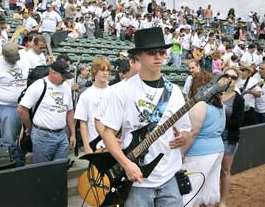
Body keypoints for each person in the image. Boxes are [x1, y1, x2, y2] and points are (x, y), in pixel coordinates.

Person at [100, 27, 191, 206]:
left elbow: (185, 129)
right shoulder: (121, 91)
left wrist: (184, 136)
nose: (158, 56)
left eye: (162, 52)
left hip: (169, 176)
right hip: (136, 180)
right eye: (151, 52)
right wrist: (126, 164)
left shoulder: (175, 92)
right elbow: (108, 134)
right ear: (139, 56)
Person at [181, 71, 226, 207]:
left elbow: (193, 132)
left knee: (190, 194)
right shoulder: (220, 104)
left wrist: (181, 152)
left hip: (199, 153)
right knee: (206, 192)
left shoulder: (199, 104)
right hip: (217, 149)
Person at [17, 60, 76, 163]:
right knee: (43, 170)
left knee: (59, 168)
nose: (65, 79)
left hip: (62, 133)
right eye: (63, 76)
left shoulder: (66, 86)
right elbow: (22, 109)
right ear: (53, 72)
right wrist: (30, 128)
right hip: (43, 134)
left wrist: (73, 134)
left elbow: (70, 111)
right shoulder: (39, 85)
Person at [0, 43, 28, 165]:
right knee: (9, 140)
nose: (13, 61)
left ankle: (20, 161)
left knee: (23, 138)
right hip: (5, 106)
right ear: (3, 55)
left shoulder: (23, 59)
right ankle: (12, 164)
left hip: (23, 105)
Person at [74, 57, 111, 154]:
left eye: (107, 70)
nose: (105, 73)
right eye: (102, 70)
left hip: (113, 141)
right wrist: (86, 146)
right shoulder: (86, 95)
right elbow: (83, 122)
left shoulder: (115, 92)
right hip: (94, 142)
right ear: (94, 72)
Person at [220, 66, 245, 207]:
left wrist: (220, 119)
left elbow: (238, 122)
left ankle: (223, 201)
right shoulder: (215, 95)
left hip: (228, 139)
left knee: (225, 170)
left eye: (233, 77)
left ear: (236, 80)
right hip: (213, 138)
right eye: (227, 75)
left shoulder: (238, 99)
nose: (229, 79)